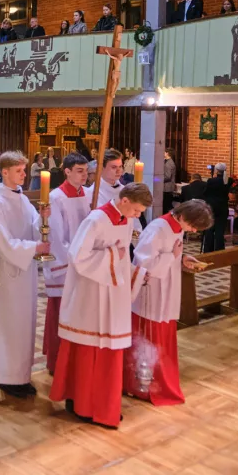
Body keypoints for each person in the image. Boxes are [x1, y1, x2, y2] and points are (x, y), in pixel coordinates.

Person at [50, 182, 151, 428]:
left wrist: (135, 273)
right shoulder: (96, 219)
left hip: (112, 293)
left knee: (109, 350)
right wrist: (113, 257)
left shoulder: (125, 221)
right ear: (125, 201)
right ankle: (83, 403)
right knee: (88, 349)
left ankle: (103, 402)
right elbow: (77, 255)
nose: (138, 217)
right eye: (137, 211)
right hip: (91, 294)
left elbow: (122, 255)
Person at [125, 199, 214, 406]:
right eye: (192, 226)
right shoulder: (158, 228)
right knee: (148, 341)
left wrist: (182, 259)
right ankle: (141, 386)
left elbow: (171, 253)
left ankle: (159, 381)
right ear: (183, 216)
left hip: (167, 291)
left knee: (163, 336)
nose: (191, 230)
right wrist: (172, 256)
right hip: (151, 293)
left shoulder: (176, 227)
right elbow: (143, 263)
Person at [0, 151, 49, 397]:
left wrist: (42, 220)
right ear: (5, 172)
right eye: (20, 171)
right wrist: (33, 248)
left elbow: (33, 229)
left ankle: (21, 374)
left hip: (26, 271)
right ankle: (6, 376)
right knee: (8, 324)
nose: (24, 174)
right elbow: (3, 242)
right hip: (8, 271)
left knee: (25, 323)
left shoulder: (22, 199)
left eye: (24, 170)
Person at [42, 152, 91, 374]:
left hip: (84, 263)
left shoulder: (89, 194)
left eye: (86, 171)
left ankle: (76, 361)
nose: (84, 176)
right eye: (79, 171)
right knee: (61, 313)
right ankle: (57, 360)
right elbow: (55, 236)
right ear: (67, 171)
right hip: (67, 266)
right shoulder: (56, 197)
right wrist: (74, 260)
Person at [202, 163, 230, 252]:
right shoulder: (228, 181)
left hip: (211, 207)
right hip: (222, 208)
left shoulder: (211, 181)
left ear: (216, 171)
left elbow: (206, 193)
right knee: (219, 231)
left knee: (209, 229)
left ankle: (208, 250)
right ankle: (220, 250)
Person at [162, 148, 177, 213]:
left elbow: (167, 176)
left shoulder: (169, 163)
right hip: (165, 188)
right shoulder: (166, 161)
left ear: (167, 153)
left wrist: (156, 179)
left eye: (164, 152)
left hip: (167, 188)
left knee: (166, 206)